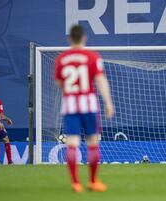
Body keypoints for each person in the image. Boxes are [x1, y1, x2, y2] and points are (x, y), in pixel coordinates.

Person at [54, 25, 114, 192]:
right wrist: (108, 102)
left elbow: (59, 83)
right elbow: (101, 81)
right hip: (89, 105)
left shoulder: (61, 59)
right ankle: (93, 181)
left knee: (72, 144)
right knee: (92, 143)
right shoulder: (92, 56)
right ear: (84, 38)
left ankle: (75, 183)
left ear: (69, 39)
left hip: (70, 106)